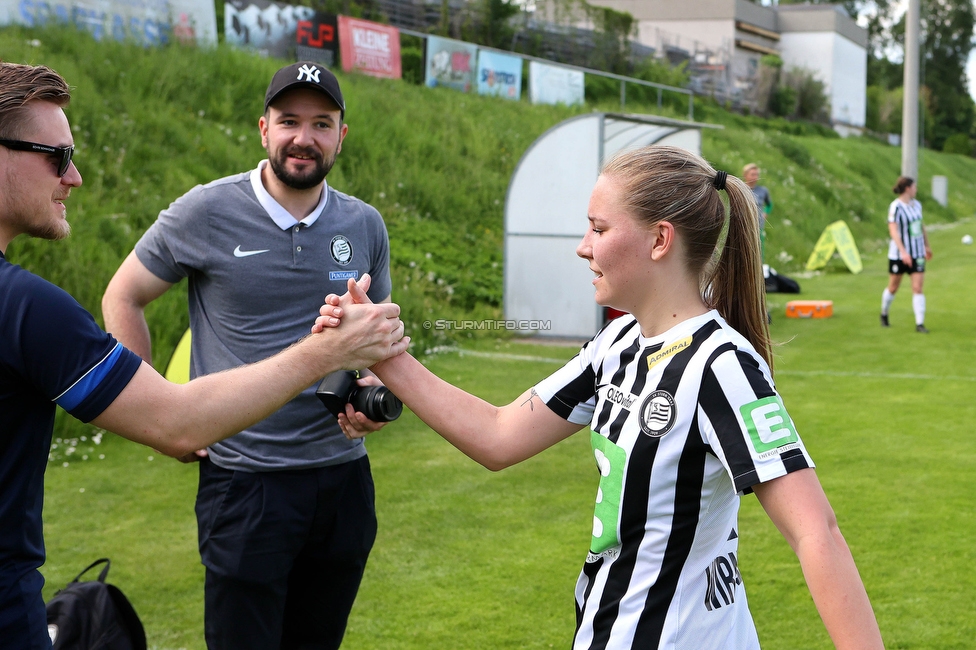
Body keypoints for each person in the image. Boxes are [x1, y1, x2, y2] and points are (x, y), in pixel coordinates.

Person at [319, 146, 884, 650]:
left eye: (599, 228)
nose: (583, 248)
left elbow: (816, 530)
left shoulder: (721, 365)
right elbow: (497, 435)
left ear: (660, 239)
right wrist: (383, 353)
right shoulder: (618, 341)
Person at [0, 62, 407, 649]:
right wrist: (148, 400)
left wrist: (369, 386)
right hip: (245, 480)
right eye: (289, 120)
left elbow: (375, 338)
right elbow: (125, 295)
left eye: (322, 123)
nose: (304, 136)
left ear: (341, 135)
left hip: (341, 476)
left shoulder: (363, 223)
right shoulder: (203, 212)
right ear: (262, 129)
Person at [881, 176, 932, 333]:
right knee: (893, 287)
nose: (916, 189)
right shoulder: (895, 207)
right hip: (899, 255)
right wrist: (903, 252)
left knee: (917, 287)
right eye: (914, 187)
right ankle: (884, 312)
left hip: (917, 253)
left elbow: (920, 225)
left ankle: (920, 323)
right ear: (907, 188)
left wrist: (926, 245)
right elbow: (893, 230)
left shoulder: (917, 205)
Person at [742, 163, 771, 260]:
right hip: (744, 226)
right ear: (745, 175)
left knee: (758, 252)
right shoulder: (741, 189)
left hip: (758, 226)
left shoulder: (763, 191)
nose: (755, 177)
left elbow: (769, 205)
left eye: (756, 175)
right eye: (752, 174)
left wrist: (765, 213)